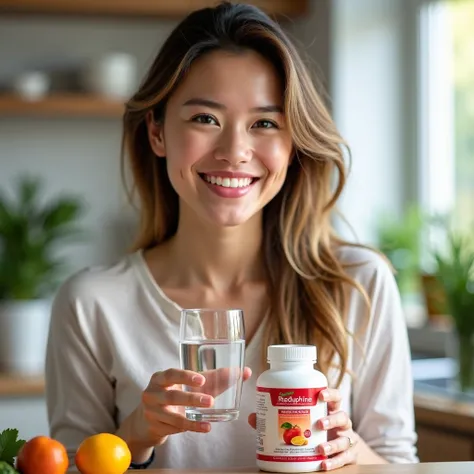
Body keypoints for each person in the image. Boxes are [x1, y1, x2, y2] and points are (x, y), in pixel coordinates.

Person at [45, 1, 418, 471]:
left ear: (293, 142)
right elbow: (66, 466)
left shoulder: (358, 285)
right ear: (157, 132)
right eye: (206, 119)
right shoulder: (91, 304)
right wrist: (135, 437)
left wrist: (350, 451)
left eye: (264, 123)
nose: (235, 152)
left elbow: (400, 464)